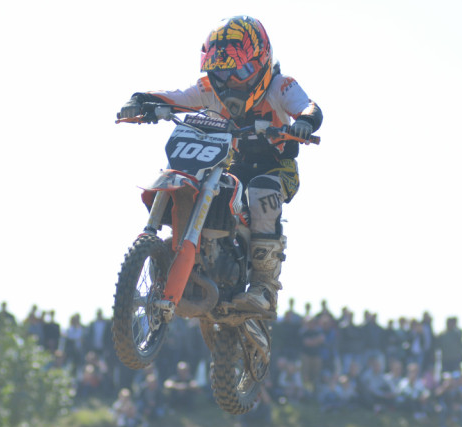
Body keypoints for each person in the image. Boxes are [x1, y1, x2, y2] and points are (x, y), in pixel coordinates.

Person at [117, 16, 322, 317]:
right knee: (199, 178)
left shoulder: (280, 86)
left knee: (260, 190)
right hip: (232, 167)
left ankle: (264, 287)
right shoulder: (207, 89)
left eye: (239, 70)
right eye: (221, 72)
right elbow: (176, 98)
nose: (229, 80)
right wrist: (141, 101)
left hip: (277, 169)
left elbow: (308, 106)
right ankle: (198, 257)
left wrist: (304, 122)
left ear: (261, 62)